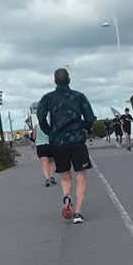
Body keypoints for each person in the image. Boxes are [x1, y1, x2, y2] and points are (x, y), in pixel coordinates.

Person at [37, 68, 96, 224]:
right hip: (76, 140)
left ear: (55, 81)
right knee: (80, 174)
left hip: (58, 142)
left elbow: (41, 116)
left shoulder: (47, 98)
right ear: (69, 80)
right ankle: (77, 212)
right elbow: (90, 116)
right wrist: (85, 128)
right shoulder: (78, 96)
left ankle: (66, 194)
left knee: (64, 174)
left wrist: (49, 131)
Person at [31, 120, 56, 187]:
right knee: (51, 162)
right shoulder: (50, 126)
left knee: (44, 163)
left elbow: (34, 137)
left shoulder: (36, 126)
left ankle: (47, 179)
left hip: (40, 146)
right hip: (49, 145)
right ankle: (52, 177)